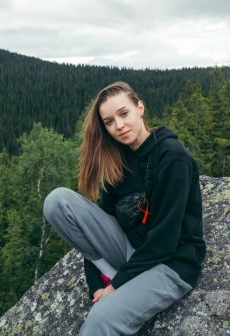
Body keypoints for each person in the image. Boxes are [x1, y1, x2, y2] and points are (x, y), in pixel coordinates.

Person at [43, 81, 206, 335]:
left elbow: (165, 242)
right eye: (108, 122)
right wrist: (97, 284)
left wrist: (116, 286)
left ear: (140, 108)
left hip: (171, 263)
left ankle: (121, 285)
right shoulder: (118, 159)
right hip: (132, 251)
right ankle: (112, 274)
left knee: (100, 320)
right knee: (57, 201)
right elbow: (103, 220)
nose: (118, 126)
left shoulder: (173, 157)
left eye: (123, 113)